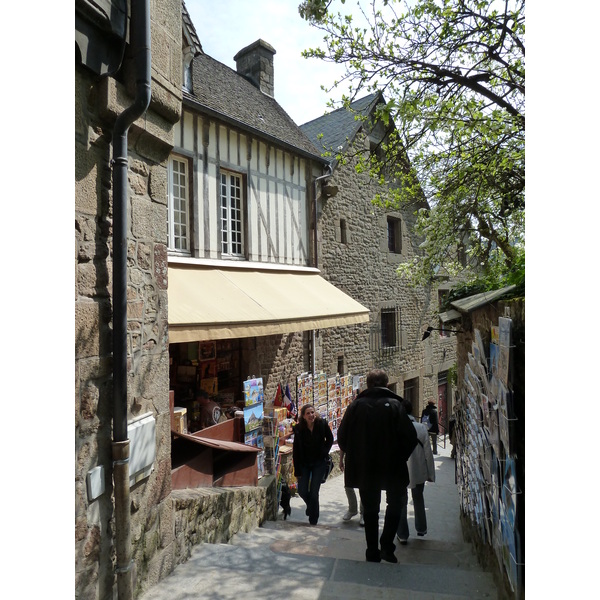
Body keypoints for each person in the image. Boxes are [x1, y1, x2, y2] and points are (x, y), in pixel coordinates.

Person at [337, 369, 418, 563]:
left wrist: (357, 455)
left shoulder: (355, 406)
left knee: (371, 508)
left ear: (368, 384)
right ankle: (387, 546)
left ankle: (372, 551)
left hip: (364, 467)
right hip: (392, 466)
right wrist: (399, 456)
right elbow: (410, 437)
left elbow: (342, 438)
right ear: (387, 384)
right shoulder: (396, 405)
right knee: (395, 503)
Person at [397, 399, 435, 545]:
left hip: (400, 470)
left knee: (401, 501)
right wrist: (431, 474)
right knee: (418, 498)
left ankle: (402, 534)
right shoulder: (421, 428)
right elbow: (428, 453)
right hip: (419, 469)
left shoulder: (395, 427)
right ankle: (421, 528)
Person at [292, 404, 334, 526]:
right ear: (303, 416)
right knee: (302, 490)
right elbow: (296, 450)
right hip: (304, 463)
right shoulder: (299, 429)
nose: (311, 415)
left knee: (314, 492)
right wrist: (297, 471)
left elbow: (330, 439)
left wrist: (324, 451)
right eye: (308, 413)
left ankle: (313, 519)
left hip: (319, 463)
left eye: (312, 412)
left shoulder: (322, 424)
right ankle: (311, 507)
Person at [339, 450, 364, 525]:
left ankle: (363, 513)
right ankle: (352, 510)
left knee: (363, 487)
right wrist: (341, 460)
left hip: (365, 457)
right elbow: (342, 442)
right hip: (350, 457)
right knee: (348, 485)